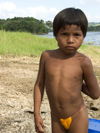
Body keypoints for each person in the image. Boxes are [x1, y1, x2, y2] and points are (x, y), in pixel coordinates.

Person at [34, 7, 100, 133]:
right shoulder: (47, 56)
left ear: (83, 36)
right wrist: (36, 113)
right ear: (55, 35)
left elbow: (95, 94)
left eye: (76, 35)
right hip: (56, 117)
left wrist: (77, 84)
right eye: (64, 34)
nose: (70, 40)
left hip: (77, 116)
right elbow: (39, 85)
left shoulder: (83, 62)